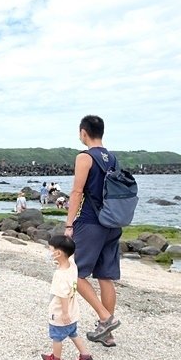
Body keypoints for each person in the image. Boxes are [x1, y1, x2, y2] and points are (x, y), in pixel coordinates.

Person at [65, 115, 122, 346]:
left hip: (91, 223)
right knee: (105, 276)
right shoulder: (114, 158)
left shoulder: (84, 157)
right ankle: (106, 335)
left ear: (83, 132)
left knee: (76, 275)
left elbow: (77, 192)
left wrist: (69, 225)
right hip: (113, 222)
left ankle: (106, 318)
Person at [41, 234, 95, 360]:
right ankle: (85, 356)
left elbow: (63, 296)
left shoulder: (60, 275)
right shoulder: (72, 265)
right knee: (73, 333)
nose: (50, 252)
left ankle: (56, 359)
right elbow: (71, 254)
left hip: (61, 313)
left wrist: (64, 313)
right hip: (73, 310)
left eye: (51, 249)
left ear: (58, 253)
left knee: (56, 336)